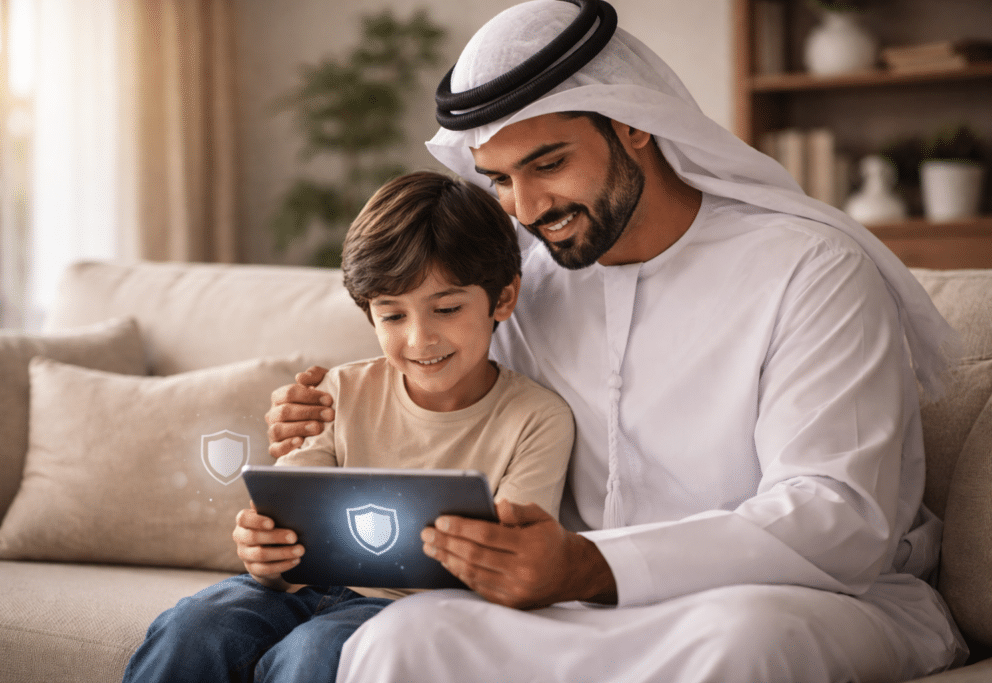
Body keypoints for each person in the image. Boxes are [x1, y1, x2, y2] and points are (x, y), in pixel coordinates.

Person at [266, 1, 970, 681]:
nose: (528, 208)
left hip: (798, 598)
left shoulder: (808, 269)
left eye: (547, 164)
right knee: (401, 639)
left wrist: (589, 565)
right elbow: (451, 409)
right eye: (501, 181)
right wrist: (330, 417)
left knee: (745, 641)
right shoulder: (526, 282)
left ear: (634, 122)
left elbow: (836, 517)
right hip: (572, 603)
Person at [122, 171, 574, 683]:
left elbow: (514, 564)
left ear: (502, 300)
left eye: (446, 309)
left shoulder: (536, 420)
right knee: (193, 627)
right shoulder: (338, 392)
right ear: (369, 315)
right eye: (392, 316)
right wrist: (263, 555)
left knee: (318, 652)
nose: (421, 338)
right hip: (302, 591)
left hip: (413, 609)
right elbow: (284, 521)